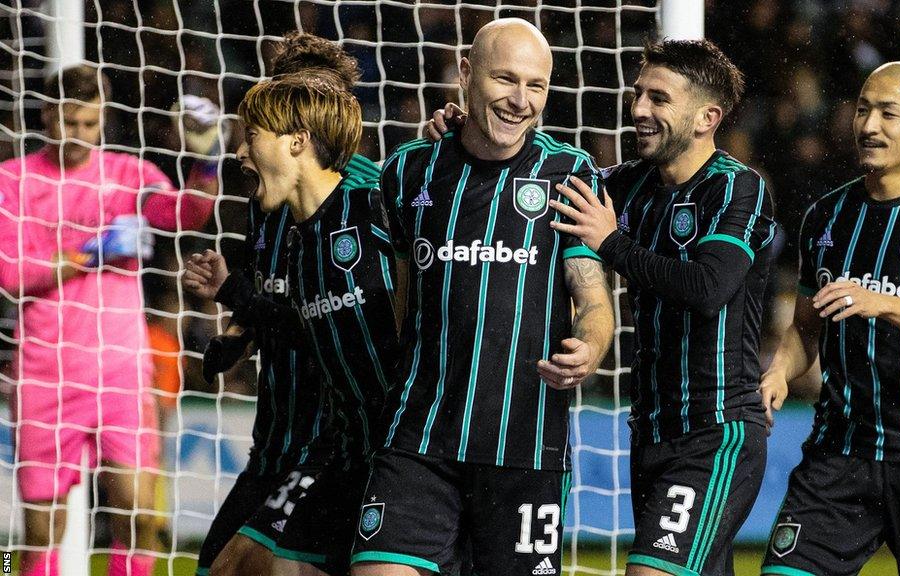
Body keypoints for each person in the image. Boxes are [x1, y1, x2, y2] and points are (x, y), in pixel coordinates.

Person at [349, 18, 615, 576]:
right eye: (505, 80)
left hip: (524, 446)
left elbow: (591, 296)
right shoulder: (407, 171)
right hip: (418, 440)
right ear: (466, 74)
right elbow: (397, 298)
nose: (521, 101)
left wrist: (590, 348)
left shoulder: (568, 174)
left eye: (536, 86)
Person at [759, 61, 900, 576]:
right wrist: (778, 372)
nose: (869, 126)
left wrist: (878, 301)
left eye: (889, 113)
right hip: (837, 455)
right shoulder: (826, 216)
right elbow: (805, 328)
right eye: (863, 110)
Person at [551, 40, 774, 576]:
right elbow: (543, 186)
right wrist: (462, 138)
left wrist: (614, 246)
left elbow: (707, 287)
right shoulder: (626, 186)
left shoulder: (737, 187)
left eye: (659, 98)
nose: (639, 110)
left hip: (717, 429)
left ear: (706, 117)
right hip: (650, 431)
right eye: (638, 94)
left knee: (650, 571)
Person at [0, 64, 218, 576]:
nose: (78, 136)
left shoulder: (129, 173)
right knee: (34, 536)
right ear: (47, 115)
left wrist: (207, 162)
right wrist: (90, 253)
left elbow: (185, 214)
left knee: (140, 516)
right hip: (45, 370)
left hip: (120, 368)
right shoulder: (13, 180)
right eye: (68, 122)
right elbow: (9, 273)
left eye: (90, 125)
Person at [184, 66, 394, 576]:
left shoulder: (372, 205)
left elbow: (393, 329)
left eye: (253, 134)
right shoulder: (293, 230)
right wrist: (239, 325)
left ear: (298, 135)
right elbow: (303, 320)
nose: (239, 151)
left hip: (384, 450)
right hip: (317, 444)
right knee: (229, 568)